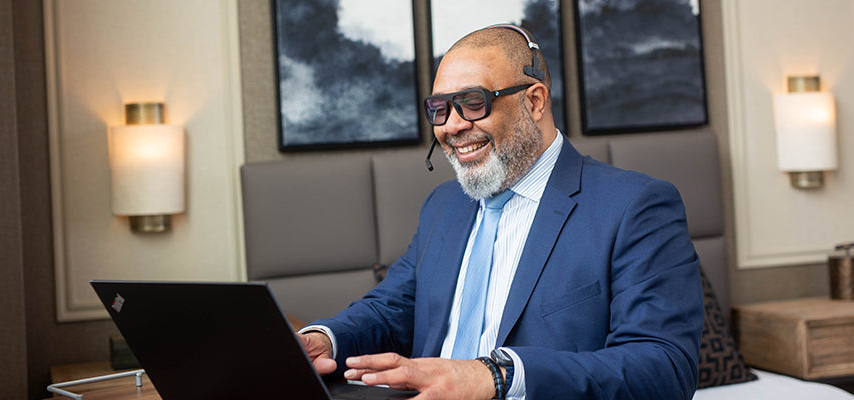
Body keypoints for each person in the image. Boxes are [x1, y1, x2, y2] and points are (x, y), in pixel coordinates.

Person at [298, 24, 703, 400]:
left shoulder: (635, 206)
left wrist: (496, 375)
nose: (451, 127)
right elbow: (393, 308)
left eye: (473, 103)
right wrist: (326, 338)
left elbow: (664, 368)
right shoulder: (443, 205)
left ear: (535, 101)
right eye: (439, 109)